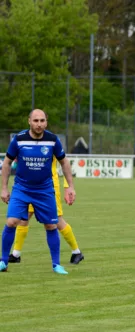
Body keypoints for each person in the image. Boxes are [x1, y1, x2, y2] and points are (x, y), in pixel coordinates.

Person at [0, 109, 76, 274]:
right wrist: (4, 188)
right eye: (36, 121)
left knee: (51, 225)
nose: (39, 124)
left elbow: (64, 162)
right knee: (11, 221)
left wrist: (70, 186)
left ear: (46, 122)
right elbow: (6, 163)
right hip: (22, 188)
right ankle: (3, 262)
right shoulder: (19, 140)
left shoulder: (53, 140)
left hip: (44, 190)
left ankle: (56, 265)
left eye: (42, 120)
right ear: (29, 121)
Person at [9, 157, 84, 265]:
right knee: (24, 216)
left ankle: (76, 252)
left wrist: (68, 187)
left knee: (56, 219)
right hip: (30, 186)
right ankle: (16, 254)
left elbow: (64, 162)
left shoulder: (51, 141)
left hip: (49, 186)